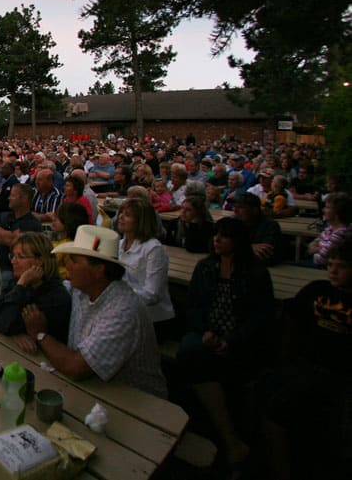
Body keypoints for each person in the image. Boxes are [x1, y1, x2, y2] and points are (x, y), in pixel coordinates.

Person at [18, 225, 168, 397]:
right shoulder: (82, 290)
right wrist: (22, 286)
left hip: (137, 402)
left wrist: (40, 334)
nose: (67, 265)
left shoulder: (123, 310)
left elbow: (75, 367)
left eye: (74, 260)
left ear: (98, 270)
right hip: (96, 390)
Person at [177, 217, 274, 468]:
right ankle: (223, 435)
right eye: (216, 234)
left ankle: (226, 436)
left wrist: (231, 340)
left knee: (199, 360)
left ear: (238, 241)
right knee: (190, 352)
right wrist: (205, 331)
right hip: (207, 333)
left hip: (239, 338)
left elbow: (260, 317)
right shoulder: (205, 267)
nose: (217, 240)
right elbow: (193, 306)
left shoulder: (256, 273)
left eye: (224, 236)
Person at [258, 232, 352, 480]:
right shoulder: (317, 290)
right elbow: (291, 317)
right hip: (309, 366)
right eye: (330, 265)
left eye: (341, 267)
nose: (333, 271)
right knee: (272, 403)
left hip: (341, 374)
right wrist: (286, 359)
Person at [0, 232, 72, 342]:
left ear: (40, 261)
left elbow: (5, 322)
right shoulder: (19, 282)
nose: (13, 261)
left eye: (20, 257)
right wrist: (15, 334)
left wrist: (21, 285)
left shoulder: (56, 296)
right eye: (12, 256)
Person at [116, 198, 175, 339]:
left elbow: (152, 294)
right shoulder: (118, 244)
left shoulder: (153, 249)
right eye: (121, 212)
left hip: (151, 318)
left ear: (140, 221)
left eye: (127, 215)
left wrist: (119, 298)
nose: (121, 217)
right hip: (124, 312)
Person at [0, 183, 42, 290]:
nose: (9, 198)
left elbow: (20, 244)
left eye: (13, 195)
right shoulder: (3, 216)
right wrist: (10, 236)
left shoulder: (33, 224)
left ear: (24, 199)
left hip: (11, 270)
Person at [232, 192, 282, 266]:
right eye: (234, 206)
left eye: (241, 207)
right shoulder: (232, 222)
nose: (235, 210)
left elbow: (266, 256)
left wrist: (236, 248)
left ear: (255, 210)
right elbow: (217, 247)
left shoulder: (270, 226)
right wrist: (249, 248)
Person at [308, 192, 351, 268]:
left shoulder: (341, 234)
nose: (323, 210)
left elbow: (320, 260)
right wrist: (319, 248)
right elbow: (313, 243)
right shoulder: (331, 228)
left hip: (321, 268)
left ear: (337, 213)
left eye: (327, 207)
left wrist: (315, 248)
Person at [50, 202, 91, 278]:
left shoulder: (70, 248)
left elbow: (69, 272)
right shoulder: (60, 240)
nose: (53, 219)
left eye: (58, 218)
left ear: (69, 221)